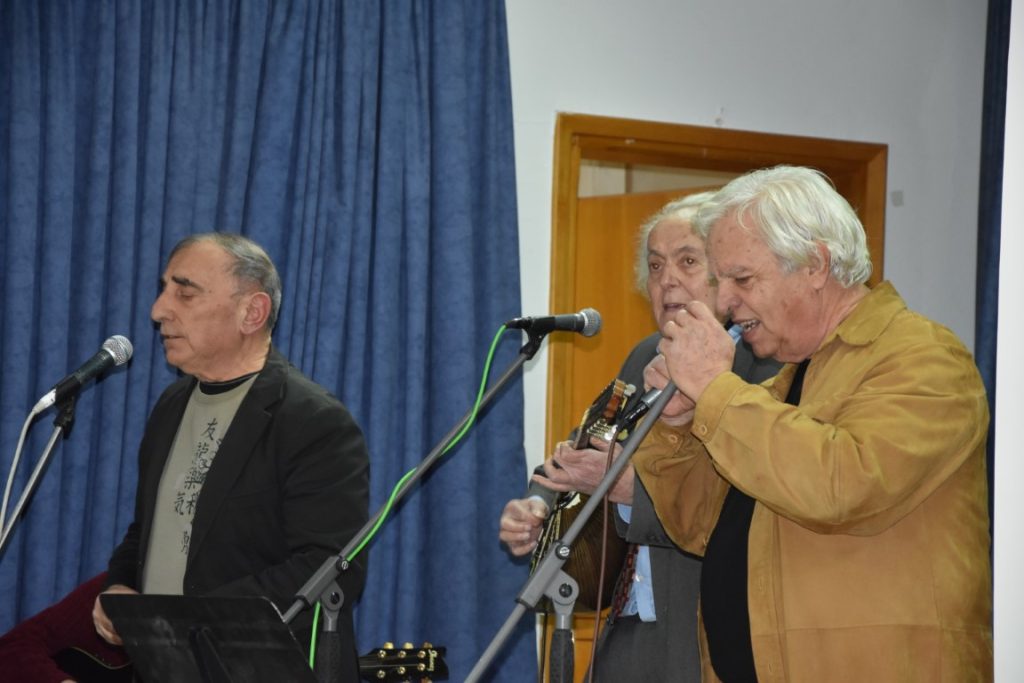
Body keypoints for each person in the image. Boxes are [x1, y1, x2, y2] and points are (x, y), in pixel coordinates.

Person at [628, 166, 991, 682]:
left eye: (742, 279)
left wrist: (714, 390)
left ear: (815, 265)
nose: (724, 302)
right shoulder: (785, 383)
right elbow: (702, 524)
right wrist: (678, 426)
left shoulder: (926, 358)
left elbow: (843, 485)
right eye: (719, 281)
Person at [499, 193, 779, 681]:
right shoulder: (646, 354)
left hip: (704, 629)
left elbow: (740, 503)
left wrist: (631, 490)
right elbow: (584, 446)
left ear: (725, 273)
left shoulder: (762, 364)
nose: (667, 279)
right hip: (627, 623)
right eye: (655, 265)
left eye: (687, 261)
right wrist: (537, 503)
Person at [91, 233, 370, 678]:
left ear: (252, 312)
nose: (158, 311)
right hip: (164, 667)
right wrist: (120, 586)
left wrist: (185, 620)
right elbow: (149, 530)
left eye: (185, 293)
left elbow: (329, 567)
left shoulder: (313, 421)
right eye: (163, 290)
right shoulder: (170, 406)